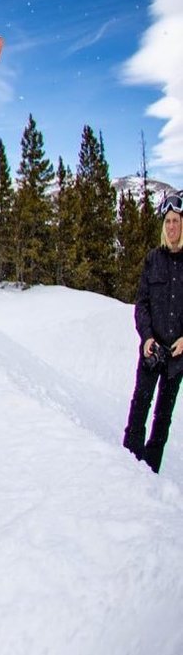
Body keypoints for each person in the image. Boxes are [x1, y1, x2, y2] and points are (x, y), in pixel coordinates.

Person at [123, 190, 183, 472]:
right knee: (139, 407)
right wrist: (146, 337)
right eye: (168, 221)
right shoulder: (152, 260)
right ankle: (128, 465)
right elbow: (141, 304)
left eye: (176, 221)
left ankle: (149, 471)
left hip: (177, 358)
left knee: (163, 418)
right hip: (152, 351)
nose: (172, 226)